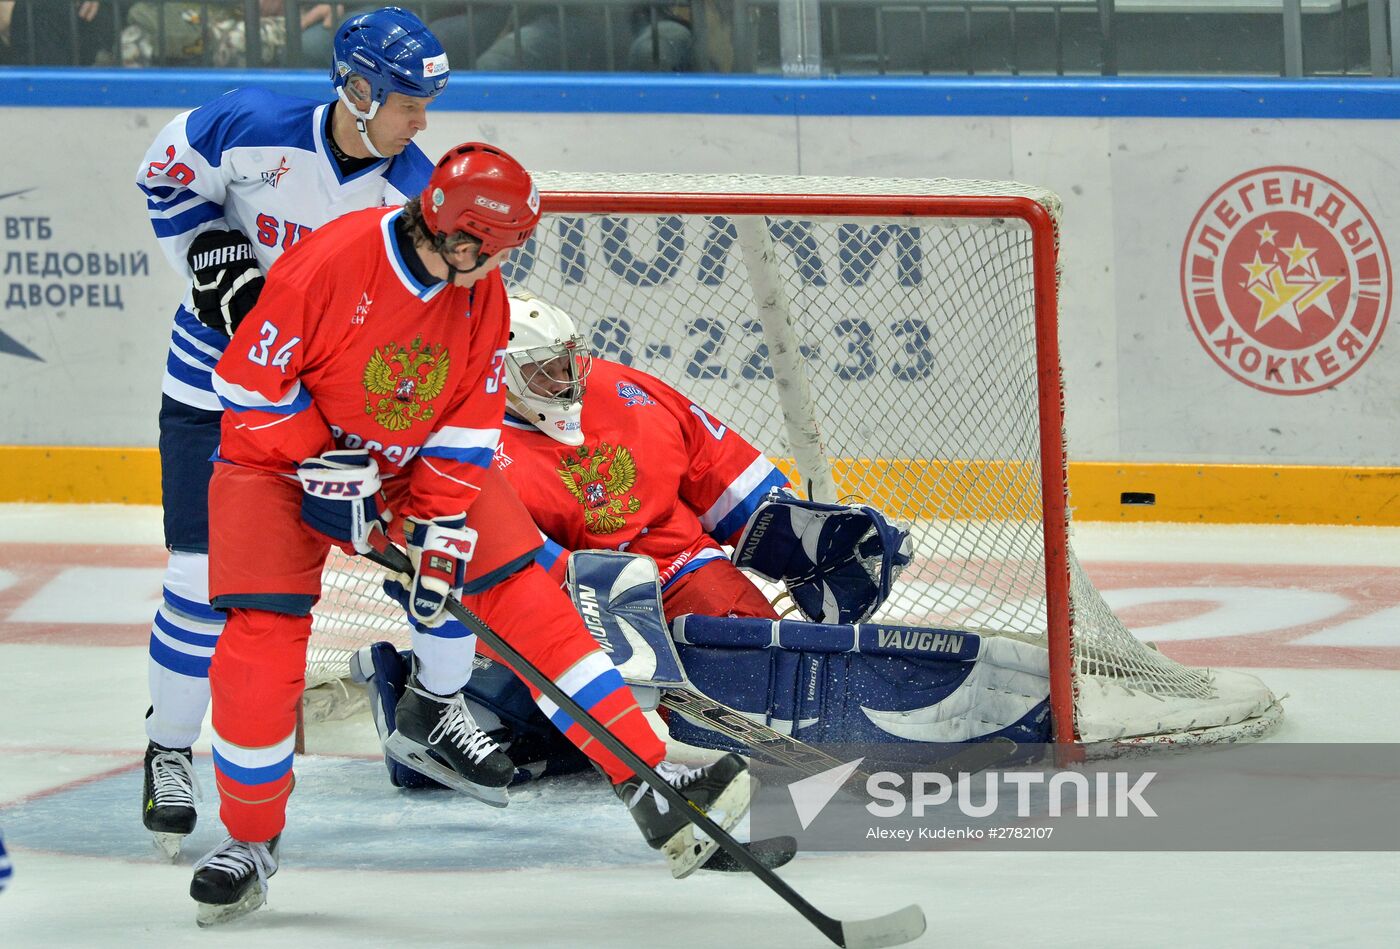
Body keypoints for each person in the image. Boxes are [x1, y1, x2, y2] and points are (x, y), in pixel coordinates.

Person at [193, 142, 752, 926]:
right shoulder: (336, 262)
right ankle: (249, 841)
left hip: (403, 463)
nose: (503, 262)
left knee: (524, 593)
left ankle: (649, 780)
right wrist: (322, 462)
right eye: (496, 246)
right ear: (455, 233)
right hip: (277, 462)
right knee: (262, 638)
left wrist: (440, 524)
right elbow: (245, 382)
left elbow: (464, 430)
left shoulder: (481, 297)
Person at [135, 6, 449, 862]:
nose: (422, 121)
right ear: (355, 88)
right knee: (198, 579)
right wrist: (208, 250)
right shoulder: (248, 124)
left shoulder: (411, 193)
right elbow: (163, 177)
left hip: (316, 416)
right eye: (407, 102)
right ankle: (168, 748)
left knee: (351, 585)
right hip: (210, 387)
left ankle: (439, 702)